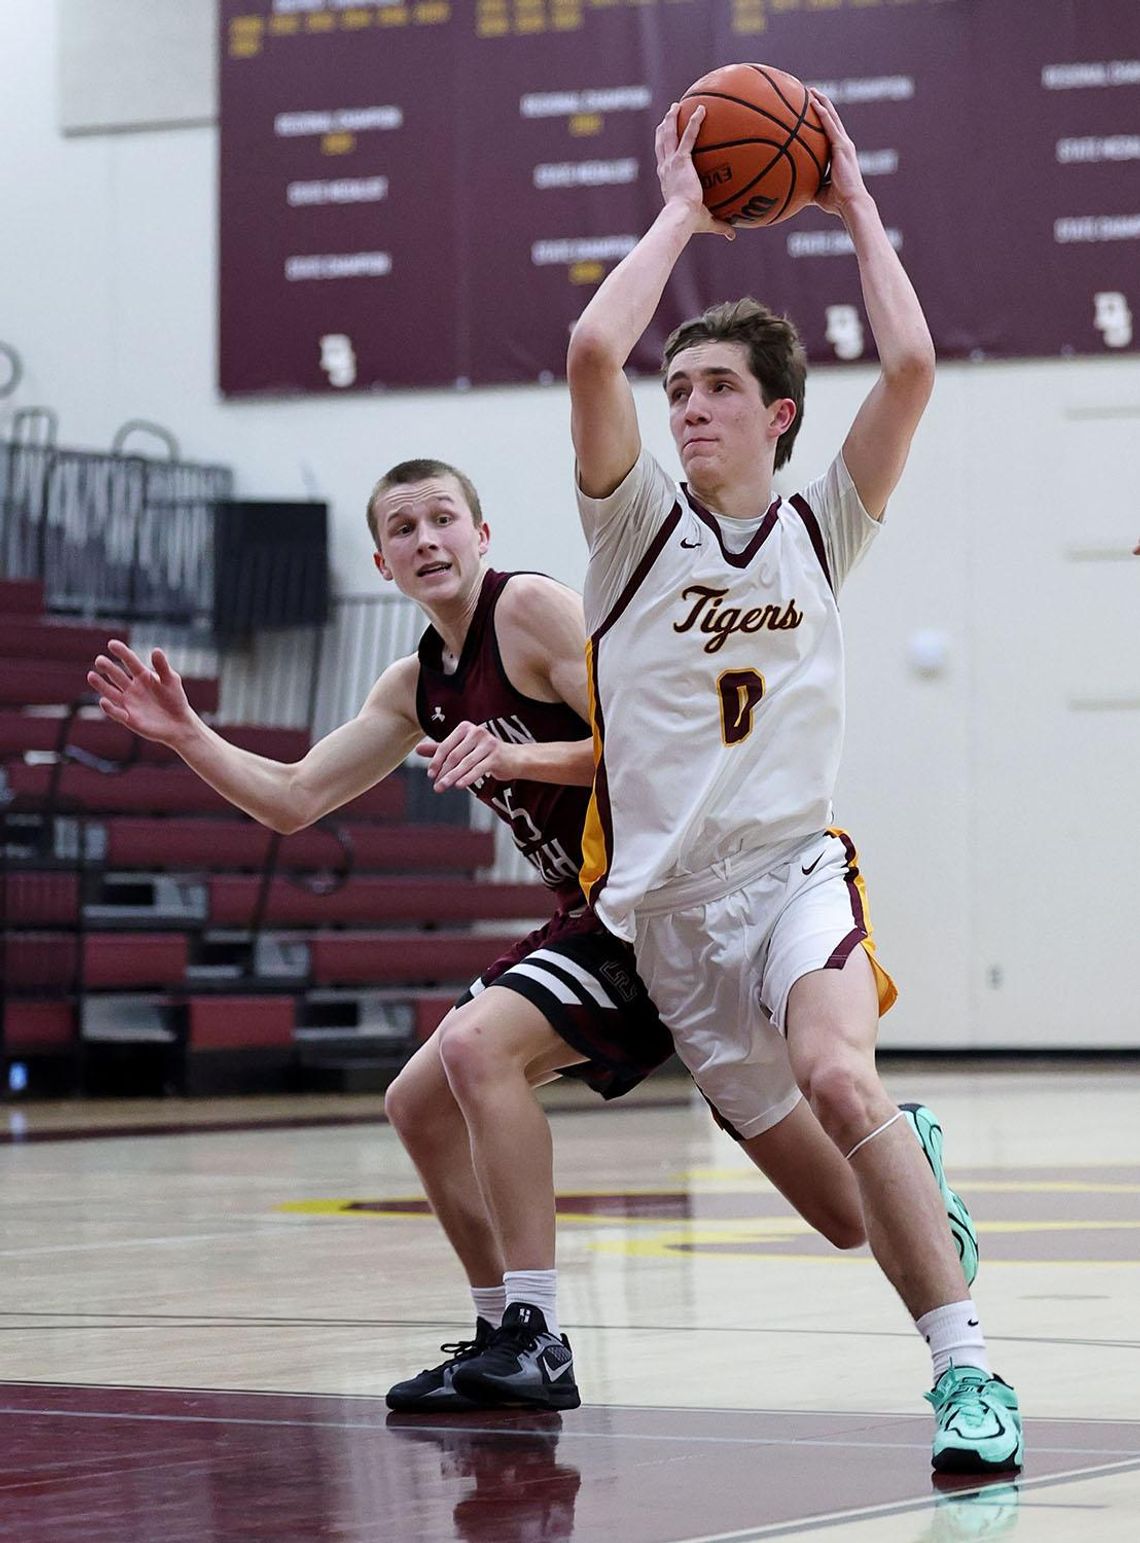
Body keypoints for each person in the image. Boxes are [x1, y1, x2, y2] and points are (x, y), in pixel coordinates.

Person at [87, 458, 974, 1419]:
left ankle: (536, 1331)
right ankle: (503, 1333)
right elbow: (296, 799)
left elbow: (659, 742)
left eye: (442, 519)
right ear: (381, 562)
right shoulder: (414, 684)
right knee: (422, 1106)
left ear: (483, 535)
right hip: (590, 915)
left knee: (475, 1048)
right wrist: (188, 737)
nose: (426, 539)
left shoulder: (534, 613)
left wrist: (516, 752)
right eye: (403, 528)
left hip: (654, 903)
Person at [561, 92, 1022, 1473]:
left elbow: (917, 364)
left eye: (714, 390)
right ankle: (908, 1162)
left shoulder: (823, 527)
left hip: (790, 875)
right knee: (841, 1211)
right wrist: (686, 214)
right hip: (673, 922)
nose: (686, 406)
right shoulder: (634, 522)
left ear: (778, 415)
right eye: (678, 388)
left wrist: (860, 210)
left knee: (835, 1069)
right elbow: (595, 344)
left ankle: (970, 1380)